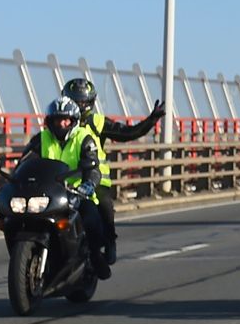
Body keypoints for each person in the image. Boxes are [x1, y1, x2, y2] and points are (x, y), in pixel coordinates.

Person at [60, 77, 165, 266]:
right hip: (63, 180)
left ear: (90, 103)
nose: (78, 105)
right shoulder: (59, 123)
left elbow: (128, 133)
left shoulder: (98, 122)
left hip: (95, 180)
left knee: (105, 206)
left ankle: (109, 242)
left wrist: (151, 120)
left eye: (83, 101)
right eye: (74, 100)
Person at [8, 97, 110, 279]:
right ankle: (24, 261)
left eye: (66, 119)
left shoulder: (83, 139)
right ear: (50, 121)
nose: (61, 123)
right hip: (47, 193)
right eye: (57, 119)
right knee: (11, 219)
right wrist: (12, 181)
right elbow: (24, 163)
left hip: (75, 194)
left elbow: (93, 169)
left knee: (91, 217)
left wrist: (88, 185)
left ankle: (95, 256)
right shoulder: (41, 139)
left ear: (73, 121)